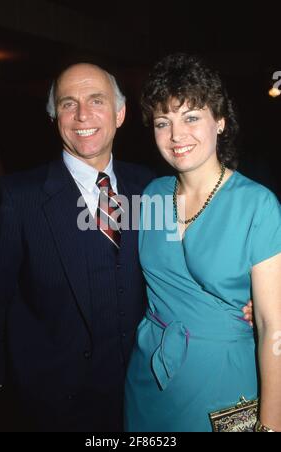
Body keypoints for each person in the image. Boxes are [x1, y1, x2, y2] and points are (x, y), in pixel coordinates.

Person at [0, 63, 155, 432]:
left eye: (96, 101)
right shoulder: (15, 199)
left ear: (120, 114)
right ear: (53, 116)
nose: (82, 115)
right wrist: (0, 391)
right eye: (67, 103)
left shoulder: (150, 189)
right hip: (50, 412)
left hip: (142, 401)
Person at [124, 53, 281, 432]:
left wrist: (272, 424)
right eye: (164, 123)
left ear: (221, 122)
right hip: (150, 379)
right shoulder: (153, 196)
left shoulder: (257, 204)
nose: (177, 136)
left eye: (191, 117)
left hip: (224, 385)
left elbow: (273, 326)